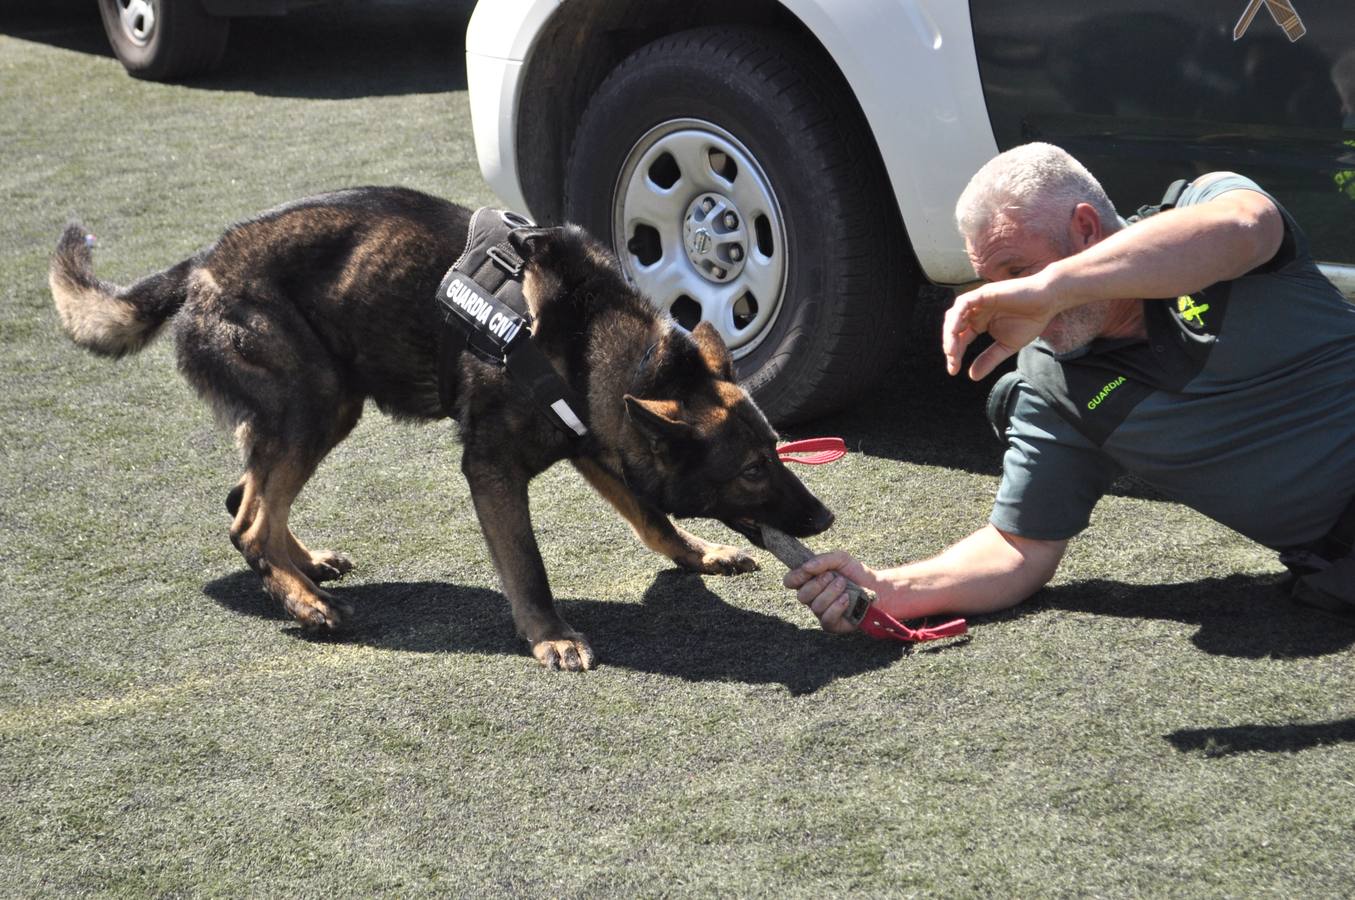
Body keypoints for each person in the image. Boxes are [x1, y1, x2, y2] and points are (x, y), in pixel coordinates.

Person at [786, 142, 1355, 632]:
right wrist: (886, 589)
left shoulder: (1205, 206)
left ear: (1086, 228)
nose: (1008, 299)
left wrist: (1051, 288)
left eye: (1016, 272)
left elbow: (1245, 228)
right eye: (991, 283)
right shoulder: (1050, 386)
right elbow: (1018, 549)